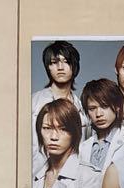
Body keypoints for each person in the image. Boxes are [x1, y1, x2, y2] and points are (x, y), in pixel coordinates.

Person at [31, 40, 88, 173]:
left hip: (74, 176)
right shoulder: (33, 102)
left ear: (74, 66)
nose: (60, 67)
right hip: (38, 174)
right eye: (54, 62)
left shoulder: (82, 107)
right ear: (48, 67)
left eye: (66, 61)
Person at [77, 78, 124, 188]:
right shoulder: (83, 148)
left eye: (104, 106)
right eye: (92, 108)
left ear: (117, 107)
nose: (98, 114)